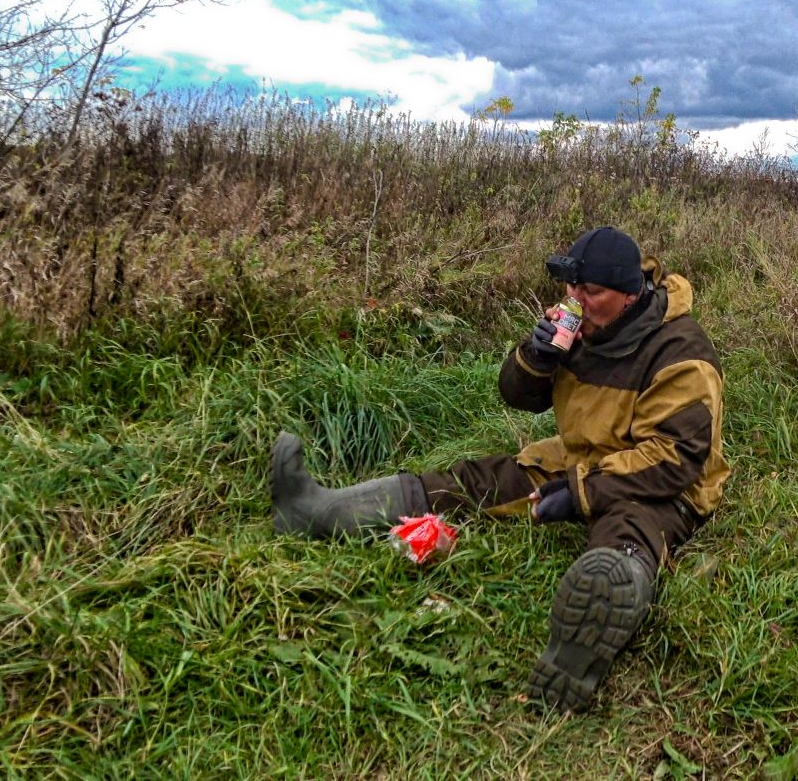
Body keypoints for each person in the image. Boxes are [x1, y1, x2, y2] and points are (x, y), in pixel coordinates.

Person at [269, 225, 729, 711]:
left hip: (662, 481)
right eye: (572, 287)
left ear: (630, 295)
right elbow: (516, 396)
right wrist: (536, 357)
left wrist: (579, 492)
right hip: (580, 455)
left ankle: (583, 643)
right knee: (474, 481)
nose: (575, 300)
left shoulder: (680, 353)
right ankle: (315, 510)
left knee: (627, 528)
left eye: (591, 292)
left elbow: (673, 459)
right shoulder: (583, 324)